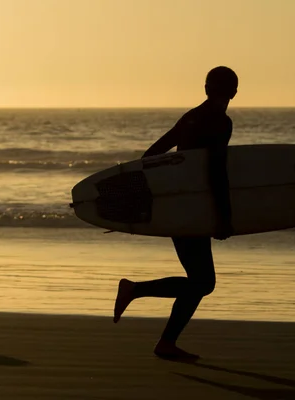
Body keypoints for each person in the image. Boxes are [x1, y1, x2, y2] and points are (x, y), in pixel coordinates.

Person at [112, 66, 238, 361]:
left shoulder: (191, 116)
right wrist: (224, 217)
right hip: (195, 212)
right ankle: (135, 292)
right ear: (233, 92)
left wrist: (167, 195)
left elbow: (150, 156)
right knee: (203, 282)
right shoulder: (220, 122)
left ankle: (165, 341)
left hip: (178, 208)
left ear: (206, 88)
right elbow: (216, 171)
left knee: (200, 280)